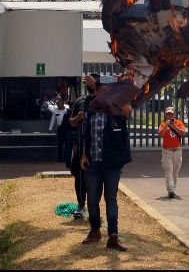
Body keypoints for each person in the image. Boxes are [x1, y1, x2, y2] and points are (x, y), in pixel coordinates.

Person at [80, 79, 133, 251]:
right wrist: (83, 156)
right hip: (93, 162)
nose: (104, 93)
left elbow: (129, 111)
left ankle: (113, 237)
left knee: (111, 199)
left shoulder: (117, 110)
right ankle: (95, 231)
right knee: (92, 200)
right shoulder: (91, 111)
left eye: (107, 90)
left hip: (111, 165)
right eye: (101, 90)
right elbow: (85, 134)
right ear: (96, 92)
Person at [69, 73, 98, 219]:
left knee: (96, 177)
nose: (89, 83)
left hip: (97, 145)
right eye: (87, 81)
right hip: (80, 144)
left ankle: (95, 210)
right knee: (79, 176)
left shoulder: (102, 100)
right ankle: (81, 205)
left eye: (92, 81)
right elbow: (71, 122)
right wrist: (77, 118)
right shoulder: (80, 100)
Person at [158, 106, 187, 199]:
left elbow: (183, 133)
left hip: (177, 150)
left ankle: (173, 188)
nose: (170, 115)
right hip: (167, 151)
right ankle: (170, 190)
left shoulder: (179, 123)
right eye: (168, 114)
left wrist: (173, 126)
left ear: (174, 114)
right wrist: (166, 125)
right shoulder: (162, 124)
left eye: (171, 114)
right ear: (166, 115)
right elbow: (160, 135)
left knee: (175, 171)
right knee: (168, 170)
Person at [49, 96, 72, 166]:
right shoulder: (55, 111)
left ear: (63, 103)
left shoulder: (68, 110)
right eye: (57, 104)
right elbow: (52, 120)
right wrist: (50, 129)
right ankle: (60, 158)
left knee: (68, 144)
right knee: (60, 144)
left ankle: (66, 158)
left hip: (68, 128)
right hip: (60, 128)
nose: (58, 105)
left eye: (59, 103)